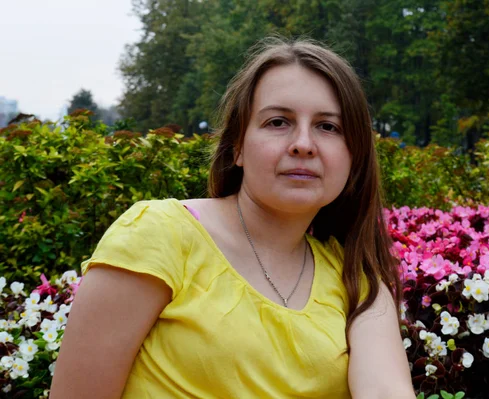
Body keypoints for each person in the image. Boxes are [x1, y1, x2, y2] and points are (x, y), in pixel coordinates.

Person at [50, 37, 414, 398]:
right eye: (277, 122)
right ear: (237, 146)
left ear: (354, 157)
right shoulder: (159, 235)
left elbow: (385, 390)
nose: (303, 143)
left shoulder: (357, 278)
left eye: (328, 127)